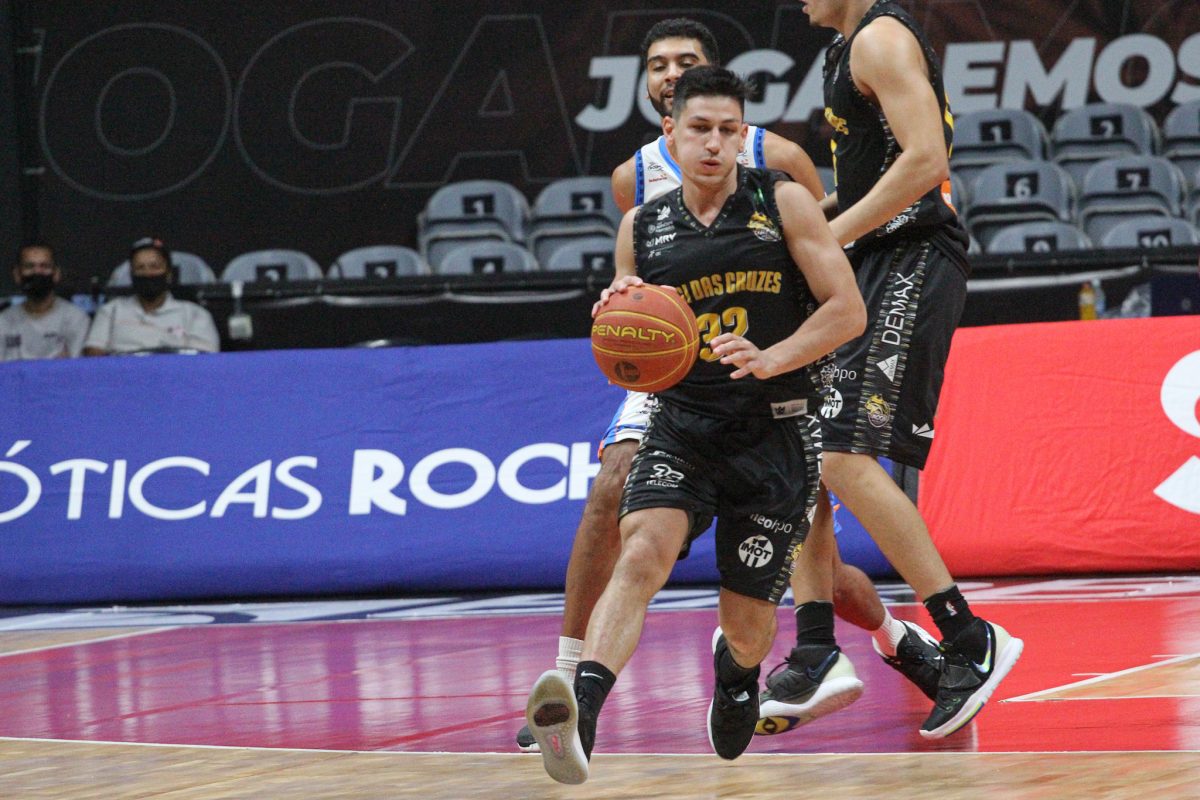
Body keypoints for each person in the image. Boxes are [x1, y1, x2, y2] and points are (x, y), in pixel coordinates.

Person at [517, 15, 943, 753]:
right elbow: (630, 316)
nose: (713, 142)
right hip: (683, 415)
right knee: (636, 539)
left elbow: (841, 303)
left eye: (727, 130)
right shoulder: (637, 211)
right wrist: (619, 318)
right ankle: (580, 704)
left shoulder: (783, 187)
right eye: (699, 128)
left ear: (742, 132)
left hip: (775, 417)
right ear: (670, 128)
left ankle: (759, 667)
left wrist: (777, 355)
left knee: (753, 614)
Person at [763, 0, 1024, 740]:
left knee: (842, 455)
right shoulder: (843, 49)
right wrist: (804, 227)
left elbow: (926, 161)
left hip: (912, 259)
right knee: (806, 449)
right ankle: (816, 646)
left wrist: (831, 237)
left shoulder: (879, 38)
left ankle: (969, 637)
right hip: (875, 261)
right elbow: (869, 179)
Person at [84, 237, 220, 355]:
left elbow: (204, 361)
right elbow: (94, 354)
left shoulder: (196, 315)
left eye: (154, 266)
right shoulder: (111, 311)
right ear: (131, 275)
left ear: (169, 274)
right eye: (140, 267)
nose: (148, 273)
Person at [0, 241, 90, 361]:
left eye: (45, 266)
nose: (37, 272)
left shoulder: (76, 318)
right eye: (29, 266)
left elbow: (77, 367)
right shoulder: (3, 321)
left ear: (56, 274)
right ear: (17, 275)